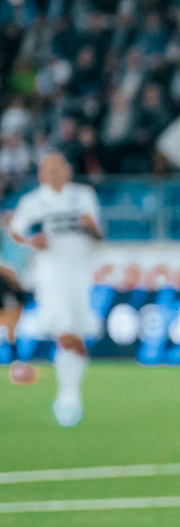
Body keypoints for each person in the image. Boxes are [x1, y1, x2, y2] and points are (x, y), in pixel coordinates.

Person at [6, 152, 100, 428]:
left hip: (80, 273)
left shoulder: (83, 196)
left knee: (78, 338)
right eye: (48, 169)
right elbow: (16, 230)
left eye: (58, 168)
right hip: (51, 273)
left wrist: (92, 228)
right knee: (66, 331)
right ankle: (68, 398)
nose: (53, 173)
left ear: (67, 170)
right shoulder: (34, 202)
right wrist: (31, 240)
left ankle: (71, 392)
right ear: (41, 174)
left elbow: (99, 234)